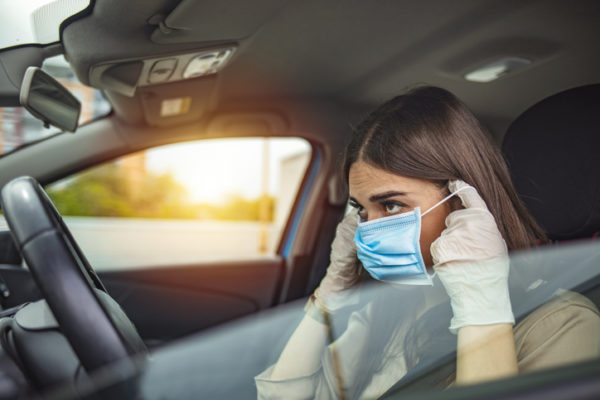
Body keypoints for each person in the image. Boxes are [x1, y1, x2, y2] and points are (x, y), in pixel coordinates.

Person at [255, 86, 600, 399]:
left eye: (391, 205)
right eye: (361, 211)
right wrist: (328, 298)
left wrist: (482, 303)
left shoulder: (563, 324)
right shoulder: (388, 308)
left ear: (463, 204)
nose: (369, 231)